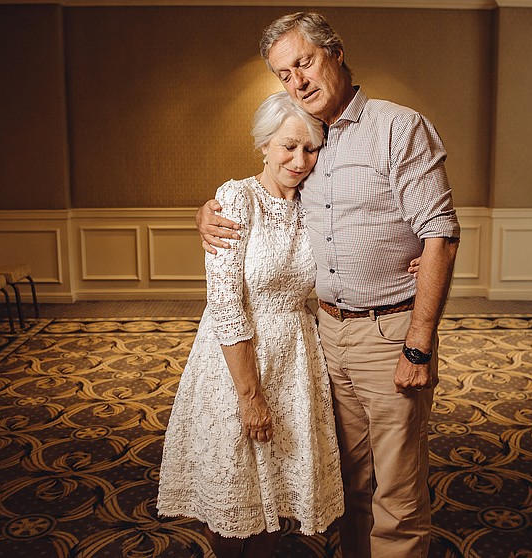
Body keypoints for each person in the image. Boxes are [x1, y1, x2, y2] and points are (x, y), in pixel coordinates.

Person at [196, 12, 460, 558]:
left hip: (389, 337)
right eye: (284, 74)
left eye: (305, 62)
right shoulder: (311, 143)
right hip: (323, 342)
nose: (298, 81)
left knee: (400, 495)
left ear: (335, 53)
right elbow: (268, 203)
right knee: (350, 488)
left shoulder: (397, 127)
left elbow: (440, 234)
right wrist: (208, 212)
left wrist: (419, 341)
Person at [157, 91, 344, 558]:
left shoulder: (317, 204)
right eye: (288, 146)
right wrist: (250, 394)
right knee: (235, 488)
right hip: (236, 362)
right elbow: (224, 303)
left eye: (310, 148)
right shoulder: (235, 199)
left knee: (279, 487)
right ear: (263, 144)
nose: (299, 160)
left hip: (297, 360)